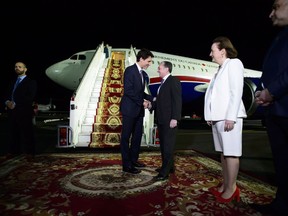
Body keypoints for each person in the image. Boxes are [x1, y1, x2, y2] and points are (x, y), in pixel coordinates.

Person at [251, 0, 288, 215]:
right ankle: (281, 205)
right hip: (277, 109)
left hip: (283, 106)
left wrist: (271, 91)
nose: (271, 13)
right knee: (282, 164)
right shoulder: (281, 35)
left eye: (277, 6)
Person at [204, 36, 247, 203]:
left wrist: (231, 117)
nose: (210, 54)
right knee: (223, 153)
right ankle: (226, 184)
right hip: (218, 117)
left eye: (212, 50)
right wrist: (210, 115)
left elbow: (237, 91)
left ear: (222, 51)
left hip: (229, 117)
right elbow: (214, 96)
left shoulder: (234, 63)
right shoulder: (220, 69)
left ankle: (232, 188)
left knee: (231, 153)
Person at [120, 48, 154, 174]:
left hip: (139, 111)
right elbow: (128, 91)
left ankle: (134, 160)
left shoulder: (142, 74)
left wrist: (152, 98)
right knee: (126, 137)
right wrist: (142, 102)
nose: (149, 64)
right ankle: (126, 165)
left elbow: (140, 92)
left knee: (137, 137)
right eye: (149, 61)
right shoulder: (130, 71)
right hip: (129, 109)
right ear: (141, 59)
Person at [149, 61, 182, 181]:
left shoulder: (173, 81)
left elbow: (177, 101)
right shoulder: (162, 83)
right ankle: (169, 167)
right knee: (163, 145)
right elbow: (161, 101)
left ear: (167, 69)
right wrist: (150, 106)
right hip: (162, 119)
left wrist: (175, 118)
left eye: (159, 68)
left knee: (167, 146)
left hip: (169, 120)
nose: (158, 70)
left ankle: (164, 173)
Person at [4, 62, 37, 156]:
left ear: (25, 69)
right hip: (12, 111)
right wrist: (7, 102)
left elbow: (30, 97)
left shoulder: (31, 82)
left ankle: (30, 152)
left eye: (19, 67)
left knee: (27, 133)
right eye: (15, 67)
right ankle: (14, 151)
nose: (17, 68)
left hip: (24, 111)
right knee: (13, 132)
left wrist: (15, 103)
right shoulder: (12, 81)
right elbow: (7, 94)